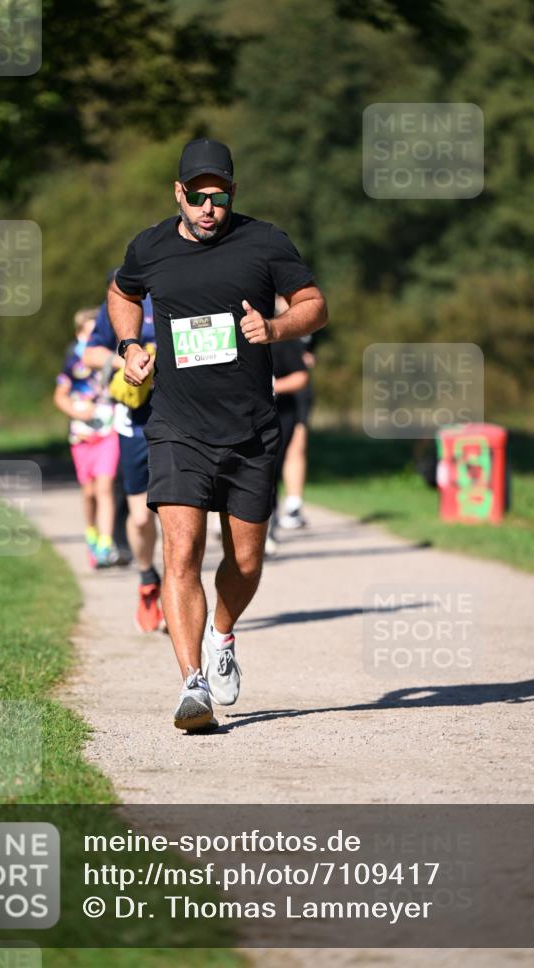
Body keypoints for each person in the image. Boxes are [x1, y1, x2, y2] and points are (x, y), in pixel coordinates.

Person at [108, 138, 328, 730]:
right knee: (182, 552)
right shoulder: (149, 246)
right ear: (179, 194)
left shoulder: (265, 242)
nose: (210, 207)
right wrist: (129, 346)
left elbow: (315, 305)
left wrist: (276, 326)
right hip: (178, 426)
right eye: (199, 197)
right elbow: (122, 291)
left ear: (232, 194)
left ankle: (223, 636)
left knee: (247, 561)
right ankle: (192, 684)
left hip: (251, 429)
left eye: (220, 196)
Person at [83, 289, 166, 633]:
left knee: (183, 516)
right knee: (140, 517)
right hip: (135, 423)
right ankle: (147, 577)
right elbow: (90, 353)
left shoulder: (195, 288)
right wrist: (131, 359)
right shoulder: (125, 299)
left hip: (185, 419)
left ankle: (179, 599)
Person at [54, 308, 120, 568]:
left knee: (105, 488)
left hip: (108, 429)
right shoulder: (73, 356)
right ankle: (91, 532)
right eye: (90, 332)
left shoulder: (111, 355)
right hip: (81, 433)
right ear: (79, 333)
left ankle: (105, 544)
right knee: (89, 491)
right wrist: (76, 410)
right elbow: (59, 395)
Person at [266, 336, 310, 556]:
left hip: (280, 414)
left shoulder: (282, 338)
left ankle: (267, 530)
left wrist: (271, 386)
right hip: (234, 413)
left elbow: (301, 376)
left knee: (268, 471)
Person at [279, 334, 317, 530]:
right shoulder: (264, 307)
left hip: (297, 387)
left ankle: (294, 506)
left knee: (296, 445)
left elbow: (311, 351)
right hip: (269, 382)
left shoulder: (307, 309)